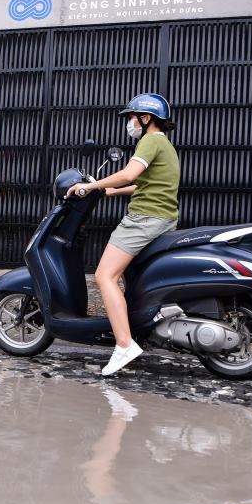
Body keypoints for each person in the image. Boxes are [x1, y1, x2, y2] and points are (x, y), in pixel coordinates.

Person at [65, 93, 180, 376]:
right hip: (163, 218)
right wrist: (109, 190)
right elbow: (144, 183)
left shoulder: (150, 140)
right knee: (129, 278)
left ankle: (125, 344)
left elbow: (129, 174)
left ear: (146, 118)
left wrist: (89, 187)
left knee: (105, 276)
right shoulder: (165, 145)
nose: (130, 122)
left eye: (132, 117)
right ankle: (135, 330)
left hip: (144, 219)